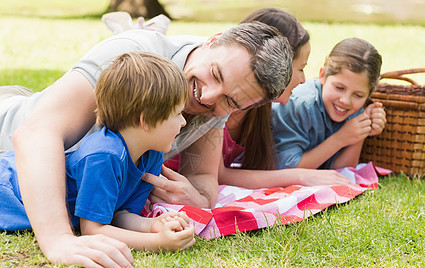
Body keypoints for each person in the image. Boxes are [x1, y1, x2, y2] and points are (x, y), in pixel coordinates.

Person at [0, 22, 292, 267]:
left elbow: (202, 177)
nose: (208, 96)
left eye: (230, 101)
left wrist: (195, 199)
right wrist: (57, 239)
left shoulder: (215, 104)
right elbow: (35, 133)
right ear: (212, 41)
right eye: (215, 74)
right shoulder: (136, 57)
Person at [0, 51, 195, 253]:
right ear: (145, 121)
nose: (183, 122)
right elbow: (92, 229)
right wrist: (157, 244)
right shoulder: (104, 156)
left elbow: (119, 215)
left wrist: (153, 226)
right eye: (177, 113)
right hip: (8, 192)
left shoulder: (150, 155)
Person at [165, 8, 353, 188]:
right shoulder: (217, 103)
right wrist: (301, 175)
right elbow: (216, 174)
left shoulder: (254, 108)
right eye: (300, 68)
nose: (303, 79)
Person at [272, 37, 386, 170]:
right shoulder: (299, 105)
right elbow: (288, 169)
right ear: (322, 75)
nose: (345, 101)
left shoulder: (354, 110)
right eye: (339, 88)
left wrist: (362, 127)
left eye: (358, 95)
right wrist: (339, 139)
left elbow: (343, 170)